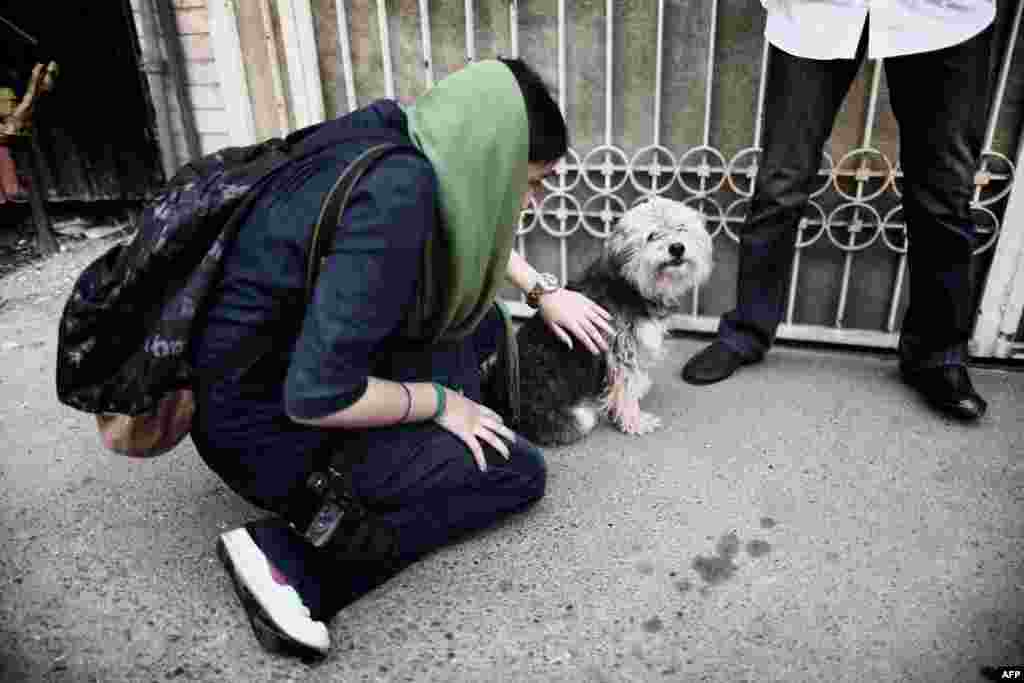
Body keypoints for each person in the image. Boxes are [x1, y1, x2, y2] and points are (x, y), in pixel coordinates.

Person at [190, 58, 614, 658]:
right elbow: (317, 396)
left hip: (254, 371)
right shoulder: (397, 202)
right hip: (265, 425)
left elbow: (470, 237)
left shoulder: (395, 133)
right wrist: (441, 404)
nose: (533, 199)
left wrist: (542, 292)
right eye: (533, 180)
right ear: (491, 158)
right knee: (516, 473)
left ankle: (418, 450)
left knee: (485, 330)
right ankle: (292, 563)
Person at [681, 0, 996, 421]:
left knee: (943, 193)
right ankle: (745, 333)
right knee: (781, 182)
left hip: (942, 15)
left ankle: (937, 357)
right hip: (818, 11)